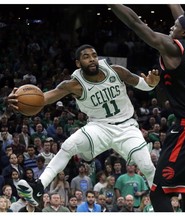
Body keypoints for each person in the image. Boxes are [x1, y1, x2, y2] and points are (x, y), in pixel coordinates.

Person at [7, 44, 159, 206]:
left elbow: (143, 84)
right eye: (86, 57)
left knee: (147, 167)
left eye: (94, 55)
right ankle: (38, 187)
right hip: (99, 127)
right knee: (68, 145)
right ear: (78, 64)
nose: (92, 59)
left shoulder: (116, 71)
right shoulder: (73, 85)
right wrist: (18, 101)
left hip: (127, 127)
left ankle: (160, 199)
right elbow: (43, 99)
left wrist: (151, 83)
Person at [109, 4, 185, 212]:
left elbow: (136, 23)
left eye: (175, 25)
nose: (171, 26)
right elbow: (182, 16)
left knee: (158, 191)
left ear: (183, 32)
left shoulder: (172, 48)